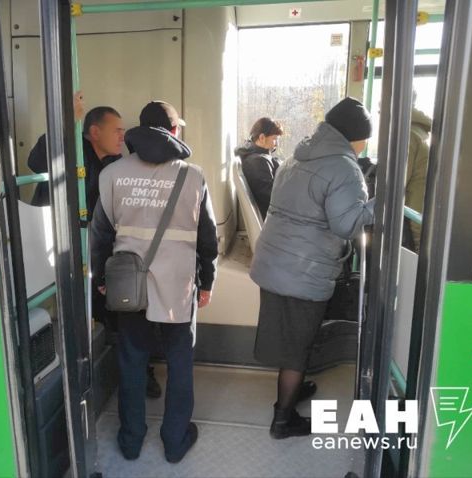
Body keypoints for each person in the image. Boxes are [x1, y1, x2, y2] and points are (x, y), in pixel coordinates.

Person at [91, 100, 218, 462]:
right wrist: (207, 282)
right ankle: (175, 442)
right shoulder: (193, 176)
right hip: (178, 286)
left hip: (129, 286)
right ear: (174, 131)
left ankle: (131, 441)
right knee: (180, 363)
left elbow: (100, 236)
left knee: (131, 361)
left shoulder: (112, 173)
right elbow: (208, 239)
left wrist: (102, 278)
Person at [250, 97, 375, 439]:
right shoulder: (343, 167)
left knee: (290, 338)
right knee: (298, 346)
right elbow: (346, 225)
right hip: (302, 270)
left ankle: (292, 388)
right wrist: (381, 203)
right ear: (355, 136)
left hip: (274, 261)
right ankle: (283, 420)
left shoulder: (298, 156)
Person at [26, 95, 162, 398]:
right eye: (117, 130)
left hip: (98, 252)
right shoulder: (70, 149)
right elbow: (36, 162)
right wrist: (66, 121)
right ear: (95, 132)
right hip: (60, 249)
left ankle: (139, 371)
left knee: (127, 304)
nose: (122, 136)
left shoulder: (116, 164)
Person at [234, 117, 283, 220]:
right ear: (262, 138)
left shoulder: (257, 158)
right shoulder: (257, 162)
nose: (276, 144)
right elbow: (272, 198)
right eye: (274, 139)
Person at [404, 106, 432, 251]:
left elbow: (399, 181)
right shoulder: (418, 133)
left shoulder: (408, 136)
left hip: (410, 216)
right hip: (419, 211)